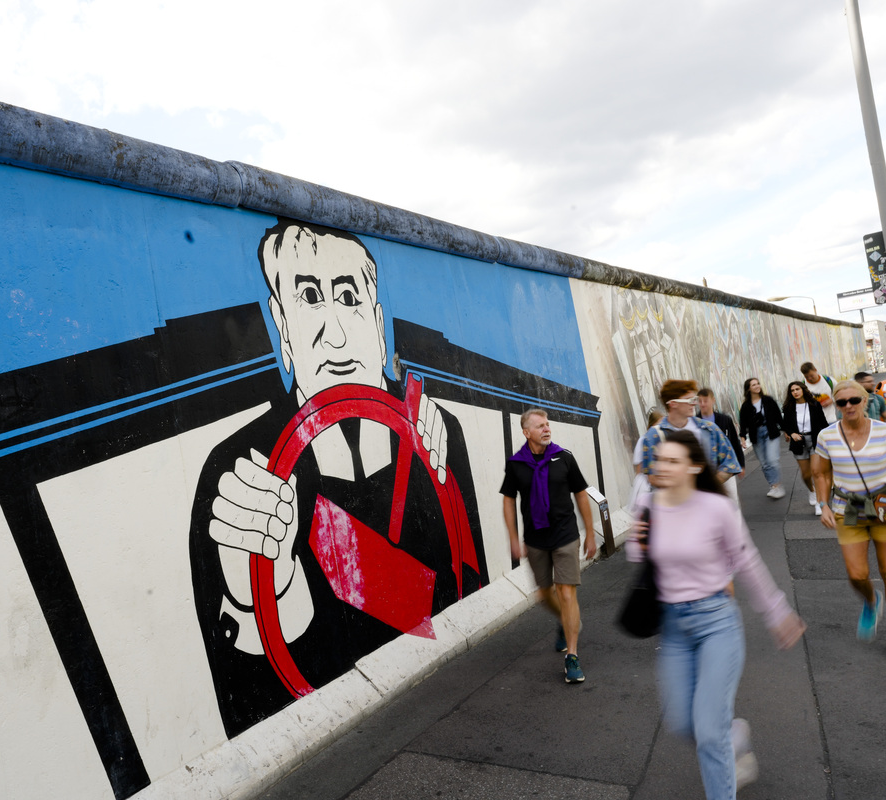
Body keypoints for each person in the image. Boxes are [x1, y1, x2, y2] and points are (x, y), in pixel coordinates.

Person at [190, 219, 488, 735]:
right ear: (282, 327)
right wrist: (259, 597)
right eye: (309, 299)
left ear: (376, 321)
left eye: (348, 298)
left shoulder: (436, 434)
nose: (335, 332)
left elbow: (469, 589)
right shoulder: (239, 472)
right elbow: (245, 716)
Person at [628, 430, 806, 800]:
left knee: (708, 732)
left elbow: (746, 560)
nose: (662, 466)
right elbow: (640, 561)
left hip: (716, 624)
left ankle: (722, 754)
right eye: (659, 459)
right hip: (673, 629)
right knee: (682, 724)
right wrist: (639, 540)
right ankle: (733, 736)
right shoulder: (648, 506)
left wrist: (777, 612)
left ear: (693, 467)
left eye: (672, 460)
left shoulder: (716, 508)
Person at [812, 380, 886, 657]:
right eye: (841, 402)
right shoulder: (827, 436)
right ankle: (870, 599)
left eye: (854, 400)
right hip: (848, 508)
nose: (848, 406)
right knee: (857, 574)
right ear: (836, 405)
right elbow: (820, 473)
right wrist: (824, 504)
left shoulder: (885, 432)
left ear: (865, 400)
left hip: (883, 505)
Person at [502, 408, 598, 684]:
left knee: (567, 593)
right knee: (545, 594)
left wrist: (589, 533)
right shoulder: (516, 464)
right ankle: (567, 622)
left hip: (566, 536)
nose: (546, 429)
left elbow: (581, 494)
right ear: (526, 432)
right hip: (535, 540)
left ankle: (573, 656)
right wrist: (513, 537)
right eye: (540, 426)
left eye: (547, 425)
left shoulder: (564, 458)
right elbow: (508, 500)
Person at [638, 380, 742, 496]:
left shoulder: (709, 429)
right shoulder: (653, 436)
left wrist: (706, 488)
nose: (694, 404)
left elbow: (730, 464)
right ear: (673, 404)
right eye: (689, 400)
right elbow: (652, 477)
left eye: (695, 399)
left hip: (707, 502)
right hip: (675, 507)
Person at [781, 381, 829, 516]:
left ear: (803, 390)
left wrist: (827, 439)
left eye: (797, 389)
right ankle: (812, 491)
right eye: (792, 390)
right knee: (806, 475)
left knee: (816, 472)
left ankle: (820, 503)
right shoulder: (789, 407)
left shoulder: (814, 404)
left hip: (815, 440)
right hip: (798, 442)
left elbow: (823, 423)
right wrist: (792, 433)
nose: (795, 392)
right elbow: (786, 425)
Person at [737, 378, 786, 499]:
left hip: (771, 432)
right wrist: (742, 437)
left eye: (758, 383)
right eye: (753, 385)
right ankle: (773, 485)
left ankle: (777, 486)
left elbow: (778, 416)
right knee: (764, 464)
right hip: (756, 435)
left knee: (772, 460)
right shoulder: (746, 406)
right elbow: (743, 423)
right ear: (748, 388)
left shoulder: (768, 400)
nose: (757, 386)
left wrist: (786, 431)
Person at [696, 388, 745, 477]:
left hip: (726, 466)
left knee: (730, 491)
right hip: (706, 471)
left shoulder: (725, 419)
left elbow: (734, 442)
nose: (702, 404)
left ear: (713, 400)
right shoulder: (695, 423)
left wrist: (741, 464)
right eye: (700, 401)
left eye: (705, 401)